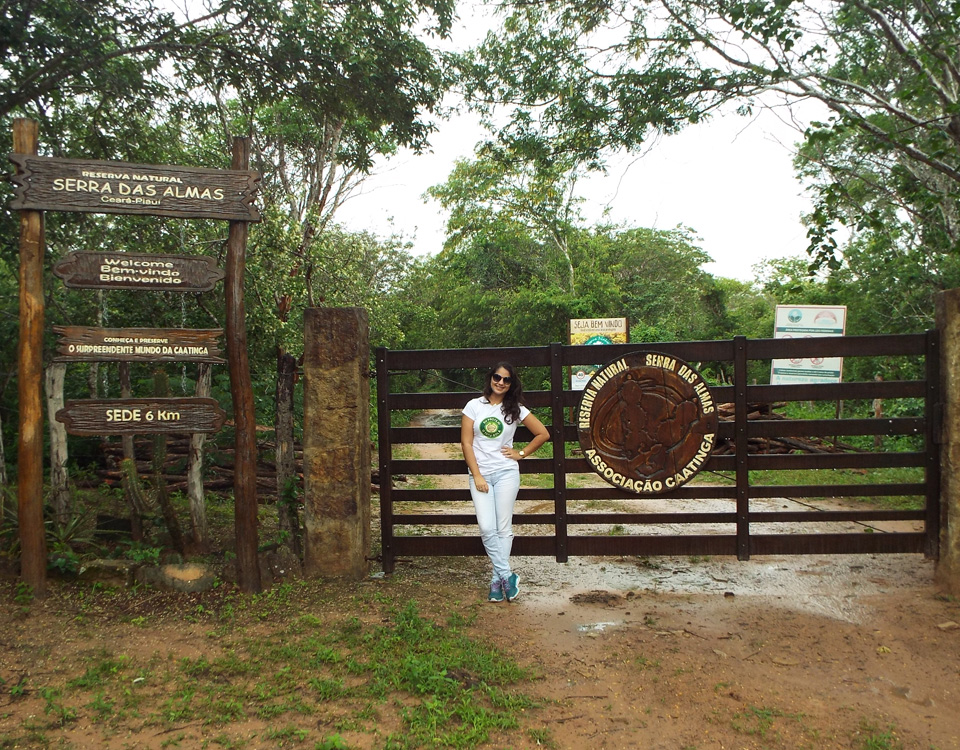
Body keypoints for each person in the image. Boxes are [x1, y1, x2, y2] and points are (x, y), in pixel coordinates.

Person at [461, 362, 549, 602]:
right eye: (497, 377)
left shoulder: (516, 409)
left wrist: (521, 453)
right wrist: (477, 475)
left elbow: (543, 433)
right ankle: (507, 575)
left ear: (511, 384)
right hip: (481, 475)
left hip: (506, 473)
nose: (500, 382)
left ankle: (496, 581)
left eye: (506, 379)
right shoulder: (473, 406)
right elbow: (467, 444)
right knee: (487, 528)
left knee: (502, 528)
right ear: (490, 378)